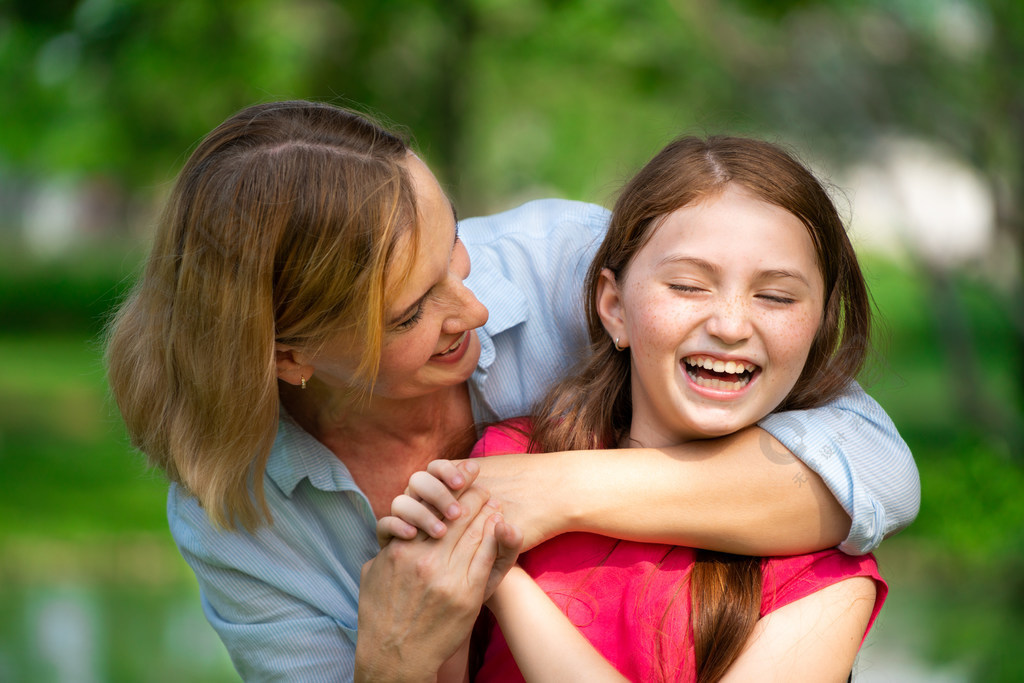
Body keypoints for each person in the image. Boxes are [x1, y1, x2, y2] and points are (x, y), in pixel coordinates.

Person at [103, 100, 917, 681]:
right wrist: (392, 658)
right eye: (414, 310)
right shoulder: (240, 515)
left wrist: (545, 490)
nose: (476, 306)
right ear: (291, 356)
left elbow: (875, 472)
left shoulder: (559, 265)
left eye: (453, 249)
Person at [389, 135, 889, 681]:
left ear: (818, 327)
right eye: (688, 286)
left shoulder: (828, 567)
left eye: (776, 297)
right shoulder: (505, 460)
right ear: (614, 308)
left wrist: (504, 586)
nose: (730, 326)